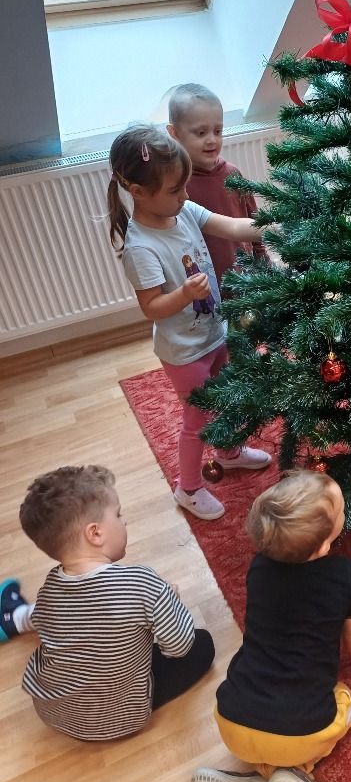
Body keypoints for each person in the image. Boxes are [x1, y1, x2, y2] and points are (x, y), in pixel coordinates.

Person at [191, 470, 351, 782]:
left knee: (264, 718)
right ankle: (294, 772)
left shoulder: (258, 568)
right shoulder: (345, 574)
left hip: (231, 719)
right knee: (345, 701)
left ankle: (257, 777)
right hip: (301, 733)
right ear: (323, 546)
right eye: (341, 511)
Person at [108, 124, 272, 522]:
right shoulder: (141, 247)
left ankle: (228, 452)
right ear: (139, 192)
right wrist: (183, 294)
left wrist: (273, 221)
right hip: (184, 353)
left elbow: (230, 226)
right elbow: (152, 307)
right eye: (175, 190)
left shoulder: (182, 212)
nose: (185, 195)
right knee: (197, 420)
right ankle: (189, 487)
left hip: (215, 333)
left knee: (225, 397)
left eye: (184, 187)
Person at [3, 465, 214, 740]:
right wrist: (168, 600)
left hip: (54, 712)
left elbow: (45, 620)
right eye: (118, 514)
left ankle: (13, 617)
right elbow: (179, 646)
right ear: (95, 534)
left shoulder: (50, 586)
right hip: (121, 719)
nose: (125, 522)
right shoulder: (143, 583)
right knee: (203, 644)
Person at [167, 83, 268, 290]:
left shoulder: (232, 174)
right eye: (201, 133)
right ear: (174, 133)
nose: (212, 140)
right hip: (205, 289)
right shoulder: (175, 186)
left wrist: (263, 262)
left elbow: (254, 221)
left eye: (218, 131)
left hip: (246, 281)